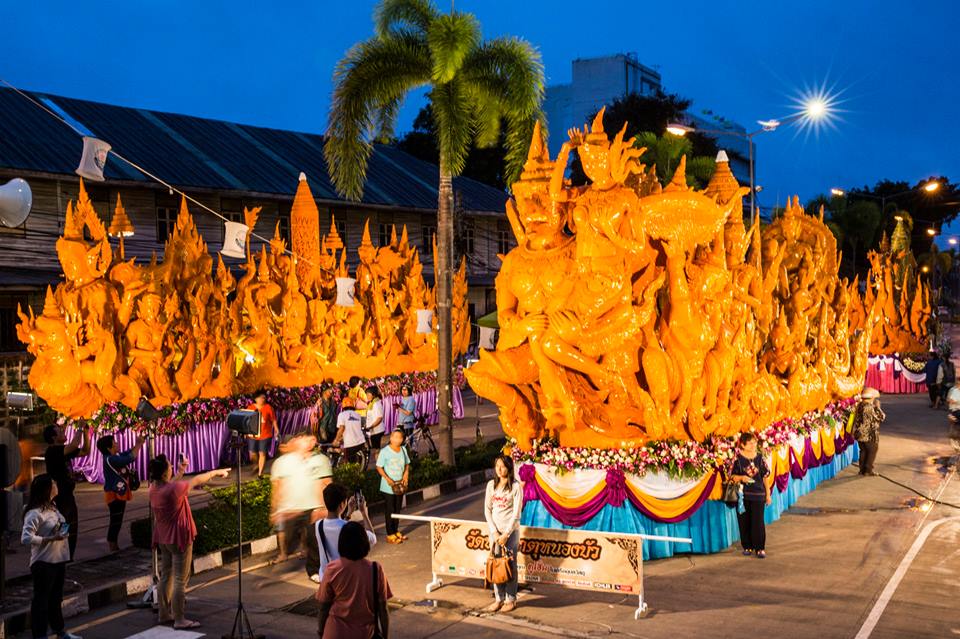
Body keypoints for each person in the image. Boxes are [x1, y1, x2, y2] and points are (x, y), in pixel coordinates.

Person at [148, 454, 229, 629]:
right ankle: (179, 619)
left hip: (163, 537)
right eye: (170, 467)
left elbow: (172, 484)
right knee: (180, 579)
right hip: (179, 537)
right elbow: (197, 479)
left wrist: (180, 470)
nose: (171, 468)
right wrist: (216, 471)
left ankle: (164, 613)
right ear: (164, 473)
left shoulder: (153, 488)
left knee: (166, 576)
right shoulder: (173, 490)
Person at [21, 474, 82, 639]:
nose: (57, 485)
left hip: (59, 560)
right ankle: (40, 635)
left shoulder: (53, 507)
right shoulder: (34, 513)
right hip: (43, 563)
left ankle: (60, 631)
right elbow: (26, 538)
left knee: (56, 599)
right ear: (46, 489)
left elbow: (58, 528)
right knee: (41, 601)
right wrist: (49, 539)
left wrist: (62, 532)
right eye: (53, 483)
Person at [271, 430, 332, 582]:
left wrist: (324, 507)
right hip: (291, 510)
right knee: (290, 541)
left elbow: (326, 483)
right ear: (298, 440)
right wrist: (275, 509)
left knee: (315, 540)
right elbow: (278, 486)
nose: (312, 443)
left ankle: (316, 571)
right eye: (308, 439)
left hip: (314, 508)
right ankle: (282, 559)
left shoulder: (321, 460)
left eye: (313, 440)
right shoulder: (283, 462)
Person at [316, 521, 391, 639]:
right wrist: (386, 636)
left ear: (341, 544)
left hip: (335, 633)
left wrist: (321, 631)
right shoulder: (375, 569)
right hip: (365, 634)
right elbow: (383, 609)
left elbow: (323, 607)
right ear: (364, 543)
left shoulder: (332, 569)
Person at [43, 422, 90, 560]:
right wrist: (80, 428)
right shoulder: (53, 451)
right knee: (63, 528)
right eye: (59, 430)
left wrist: (86, 433)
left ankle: (68, 558)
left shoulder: (63, 451)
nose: (63, 431)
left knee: (71, 529)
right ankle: (61, 558)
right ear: (53, 437)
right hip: (60, 499)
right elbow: (75, 445)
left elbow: (85, 451)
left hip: (68, 497)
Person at [483, 454, 522, 613]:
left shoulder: (515, 486)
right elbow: (487, 509)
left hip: (510, 533)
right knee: (496, 565)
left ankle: (511, 599)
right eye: (497, 466)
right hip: (495, 533)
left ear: (509, 468)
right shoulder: (491, 485)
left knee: (509, 565)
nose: (499, 469)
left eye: (503, 466)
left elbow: (516, 513)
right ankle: (499, 599)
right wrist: (494, 531)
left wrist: (506, 533)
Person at [315, 483, 378, 580]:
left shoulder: (318, 525)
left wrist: (348, 514)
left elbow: (337, 525)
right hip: (345, 580)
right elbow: (373, 539)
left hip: (327, 579)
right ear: (342, 504)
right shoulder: (351, 529)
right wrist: (364, 513)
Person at [97, 433, 146, 552]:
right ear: (109, 448)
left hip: (118, 492)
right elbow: (130, 457)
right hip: (114, 495)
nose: (118, 444)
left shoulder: (114, 456)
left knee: (117, 520)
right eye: (115, 444)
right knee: (116, 521)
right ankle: (112, 545)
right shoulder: (111, 459)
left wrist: (136, 445)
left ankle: (114, 544)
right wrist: (139, 444)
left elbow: (128, 453)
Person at [730, 432, 771, 558]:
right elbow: (731, 476)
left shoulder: (760, 458)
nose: (754, 445)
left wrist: (768, 494)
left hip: (758, 495)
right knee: (744, 522)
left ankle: (760, 548)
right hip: (743, 496)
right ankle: (747, 546)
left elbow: (765, 477)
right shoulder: (737, 460)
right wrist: (742, 477)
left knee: (758, 522)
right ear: (742, 444)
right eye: (750, 443)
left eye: (755, 442)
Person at [376, 429, 410, 544]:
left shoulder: (403, 450)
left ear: (402, 439)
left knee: (397, 509)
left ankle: (396, 531)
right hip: (388, 486)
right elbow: (379, 467)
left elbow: (407, 464)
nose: (396, 439)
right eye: (394, 437)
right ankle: (390, 534)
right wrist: (387, 479)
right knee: (390, 509)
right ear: (390, 438)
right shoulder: (385, 451)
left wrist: (406, 475)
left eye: (399, 438)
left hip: (400, 485)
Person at [853, 387, 885, 476]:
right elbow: (881, 417)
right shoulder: (869, 407)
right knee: (872, 450)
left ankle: (862, 470)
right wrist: (878, 407)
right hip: (869, 434)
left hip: (860, 433)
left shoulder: (860, 405)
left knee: (863, 451)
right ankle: (868, 470)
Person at [247, 390, 277, 478]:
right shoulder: (250, 408)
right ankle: (255, 464)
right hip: (253, 435)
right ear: (256, 399)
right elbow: (247, 420)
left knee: (262, 453)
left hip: (265, 435)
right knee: (252, 454)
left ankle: (260, 473)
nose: (263, 399)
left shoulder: (268, 407)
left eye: (264, 397)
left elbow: (273, 420)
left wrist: (276, 429)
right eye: (261, 397)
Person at [333, 397, 366, 465]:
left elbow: (341, 429)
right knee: (356, 462)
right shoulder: (358, 415)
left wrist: (336, 440)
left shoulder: (341, 415)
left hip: (350, 444)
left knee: (349, 463)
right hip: (361, 442)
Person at [365, 386, 385, 455]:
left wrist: (371, 426)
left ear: (373, 394)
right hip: (373, 431)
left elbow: (379, 418)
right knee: (376, 450)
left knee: (377, 451)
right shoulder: (371, 403)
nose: (367, 396)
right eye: (366, 394)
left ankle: (379, 465)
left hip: (377, 431)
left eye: (368, 394)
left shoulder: (377, 404)